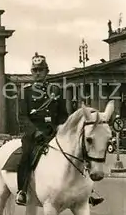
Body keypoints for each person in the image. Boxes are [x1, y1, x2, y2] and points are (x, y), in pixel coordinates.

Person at [15, 53, 104, 206]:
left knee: (78, 154)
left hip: (55, 132)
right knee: (25, 157)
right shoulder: (25, 92)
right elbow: (22, 116)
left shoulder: (56, 90)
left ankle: (87, 192)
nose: (37, 73)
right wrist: (35, 131)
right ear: (31, 72)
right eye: (35, 70)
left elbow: (63, 115)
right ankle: (22, 191)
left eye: (40, 70)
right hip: (34, 133)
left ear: (46, 72)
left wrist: (62, 129)